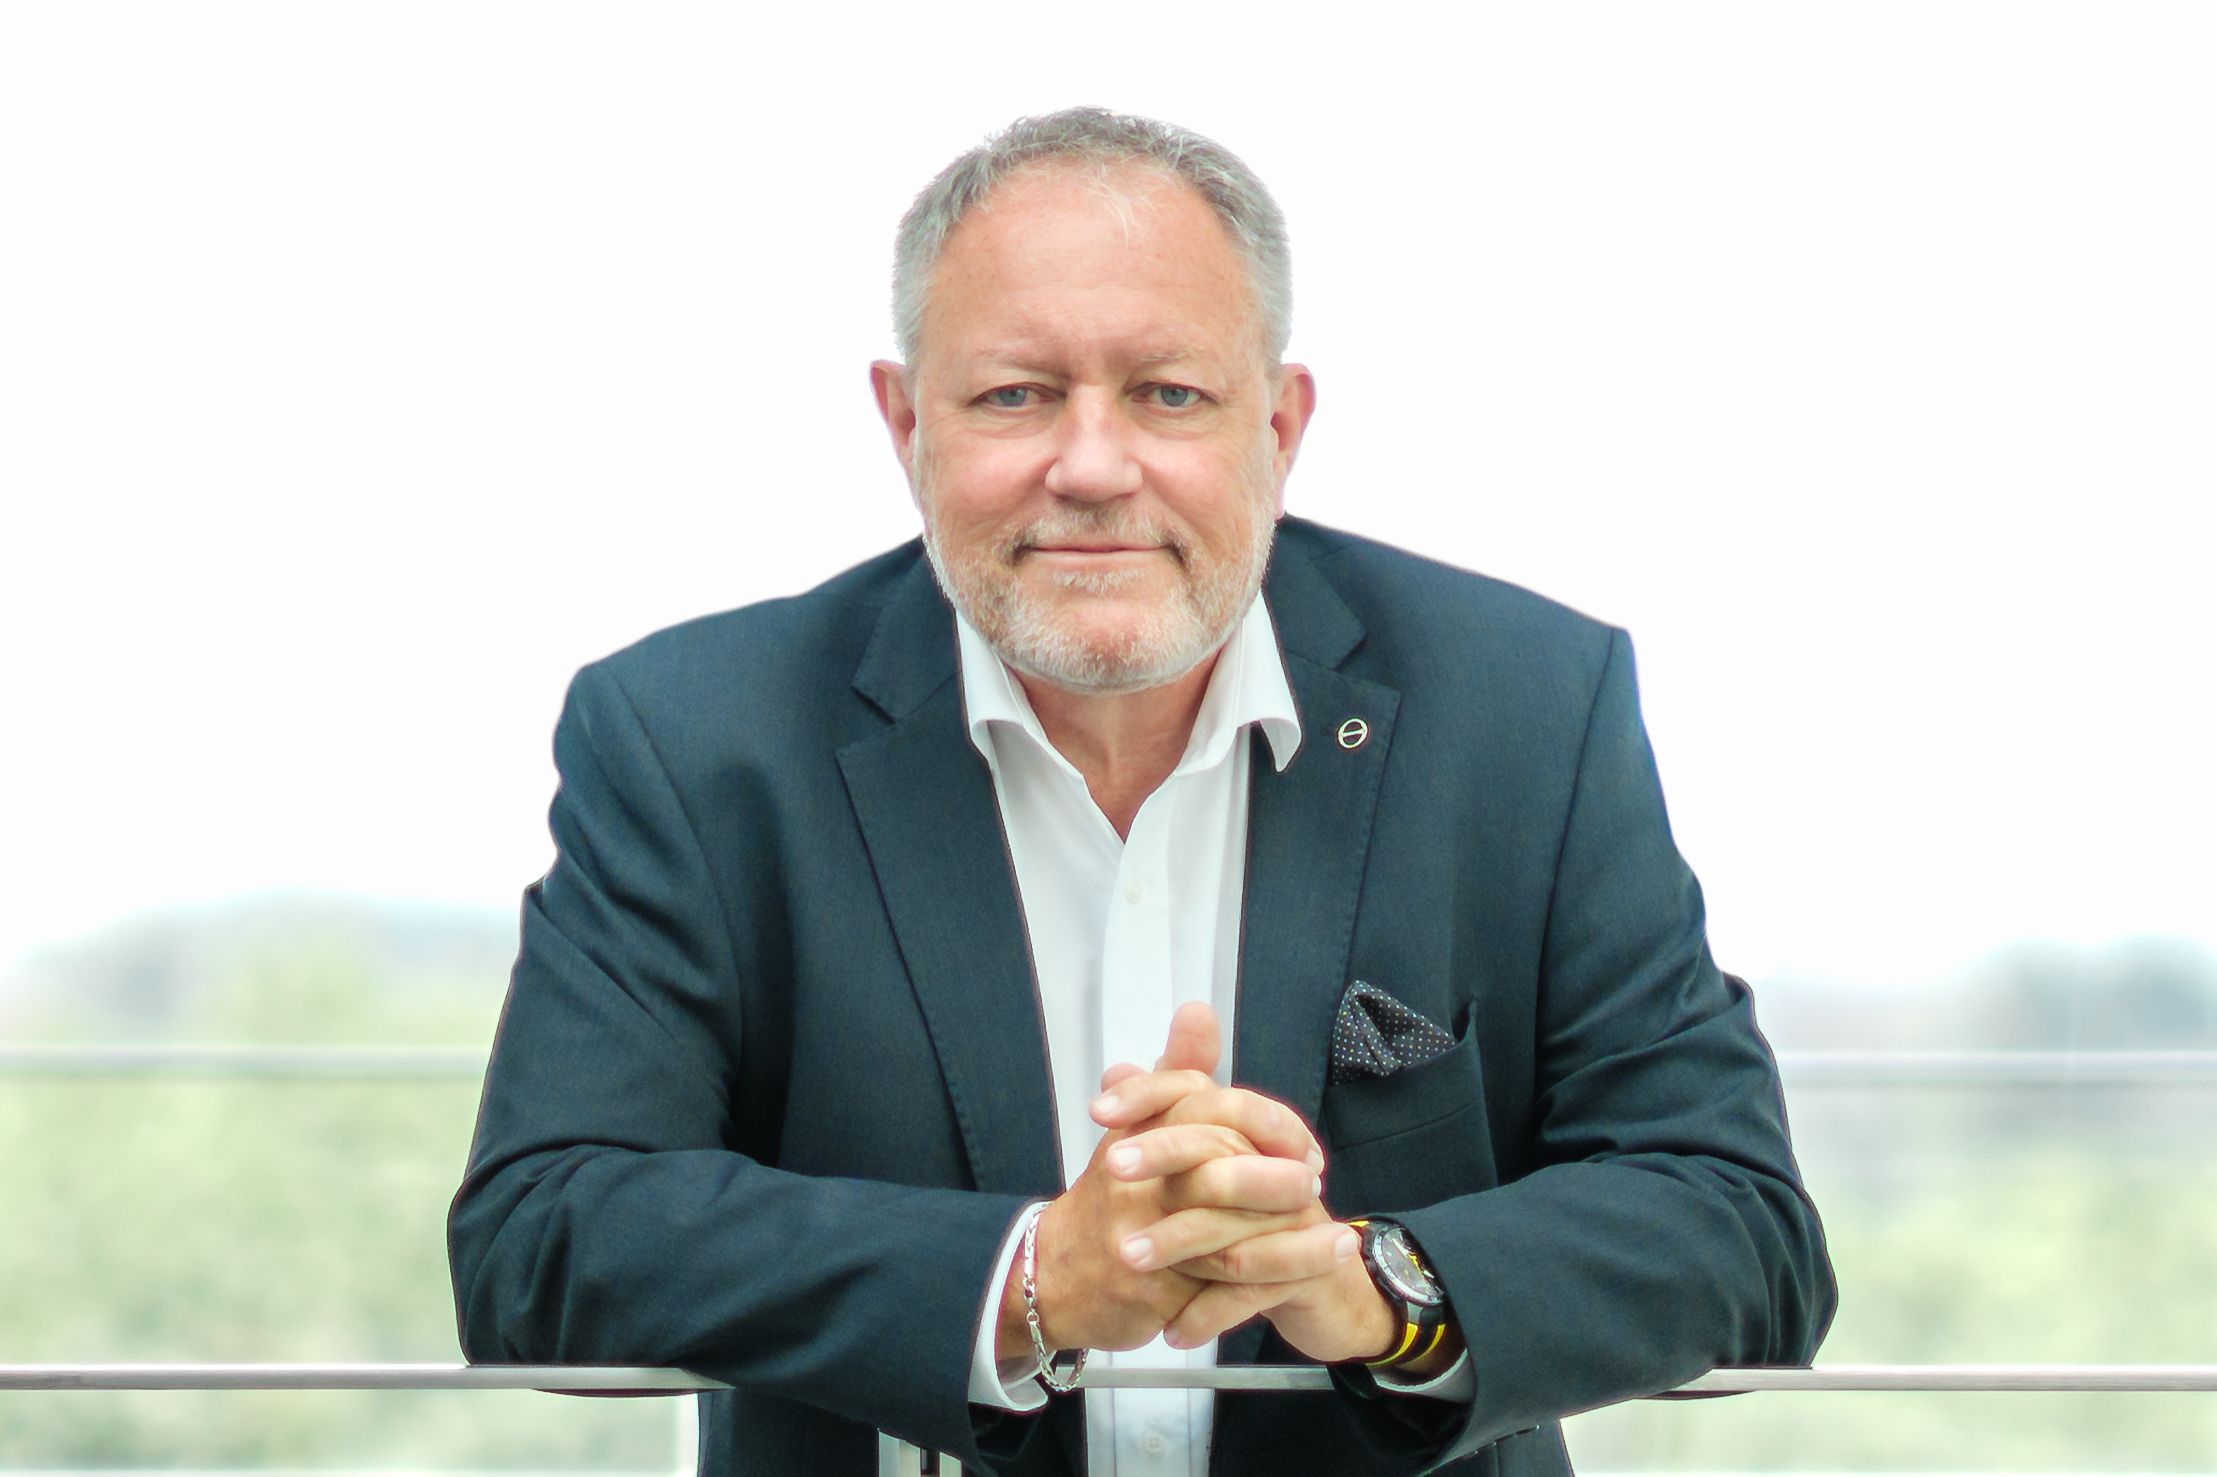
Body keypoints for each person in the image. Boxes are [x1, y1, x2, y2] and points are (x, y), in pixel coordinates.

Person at [448, 108, 1835, 1476]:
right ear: (904, 421)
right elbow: (540, 1238)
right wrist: (1028, 1280)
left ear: (1279, 425)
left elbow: (1741, 1232)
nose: (1093, 468)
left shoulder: (1529, 709)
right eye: (1015, 395)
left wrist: (1378, 1288)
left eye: (1169, 394)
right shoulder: (688, 736)